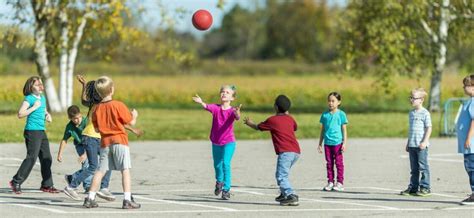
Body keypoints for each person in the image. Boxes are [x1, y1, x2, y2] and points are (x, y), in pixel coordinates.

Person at [83, 76, 142, 209]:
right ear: (111, 89)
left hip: (104, 142)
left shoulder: (96, 109)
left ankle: (90, 198)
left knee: (100, 170)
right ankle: (127, 199)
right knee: (125, 170)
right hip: (120, 140)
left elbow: (97, 129)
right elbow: (131, 122)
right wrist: (135, 115)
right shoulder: (118, 105)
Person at [244, 95, 300, 206]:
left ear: (276, 107)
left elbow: (258, 127)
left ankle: (290, 195)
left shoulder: (272, 120)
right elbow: (295, 127)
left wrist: (250, 123)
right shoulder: (290, 119)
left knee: (281, 175)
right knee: (283, 174)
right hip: (296, 152)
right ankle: (284, 194)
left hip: (286, 152)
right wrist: (287, 116)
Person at [9, 76, 59, 194]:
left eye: (41, 84)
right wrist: (34, 107)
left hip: (41, 131)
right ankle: (16, 181)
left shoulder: (42, 98)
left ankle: (47, 184)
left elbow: (44, 109)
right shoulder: (29, 99)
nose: (41, 86)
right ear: (31, 87)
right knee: (32, 157)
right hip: (32, 131)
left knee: (47, 158)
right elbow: (20, 114)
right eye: (37, 85)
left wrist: (47, 115)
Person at [192, 85, 241, 200]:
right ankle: (219, 181)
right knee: (217, 165)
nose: (224, 94)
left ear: (232, 98)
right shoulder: (216, 108)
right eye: (222, 92)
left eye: (227, 93)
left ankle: (226, 190)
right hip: (216, 142)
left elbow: (237, 117)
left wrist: (238, 112)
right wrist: (200, 102)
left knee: (226, 164)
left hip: (229, 142)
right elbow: (207, 106)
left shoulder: (233, 110)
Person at [57, 105, 114, 201]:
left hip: (94, 141)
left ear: (81, 115)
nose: (77, 120)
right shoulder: (69, 126)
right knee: (89, 165)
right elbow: (64, 140)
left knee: (106, 161)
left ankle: (74, 178)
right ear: (70, 118)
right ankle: (87, 186)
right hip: (81, 145)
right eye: (74, 119)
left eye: (78, 117)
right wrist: (59, 154)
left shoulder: (87, 121)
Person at [400, 88, 432, 197]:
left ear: (421, 100)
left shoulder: (425, 113)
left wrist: (425, 141)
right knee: (414, 169)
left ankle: (425, 187)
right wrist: (408, 143)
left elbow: (429, 128)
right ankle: (413, 187)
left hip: (421, 145)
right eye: (411, 97)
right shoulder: (411, 113)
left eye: (414, 98)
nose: (411, 100)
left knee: (423, 167)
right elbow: (411, 130)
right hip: (412, 145)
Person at [318, 92, 348, 192]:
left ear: (338, 102)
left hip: (338, 143)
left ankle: (340, 183)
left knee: (339, 163)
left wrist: (344, 143)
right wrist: (320, 143)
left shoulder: (341, 114)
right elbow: (322, 130)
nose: (330, 103)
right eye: (329, 101)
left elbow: (344, 129)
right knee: (329, 163)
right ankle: (330, 181)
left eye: (333, 101)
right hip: (327, 143)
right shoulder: (325, 115)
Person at [457, 75, 474, 205]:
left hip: (471, 144)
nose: (463, 88)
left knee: (471, 167)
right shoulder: (469, 101)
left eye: (466, 86)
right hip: (468, 144)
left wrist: (468, 138)